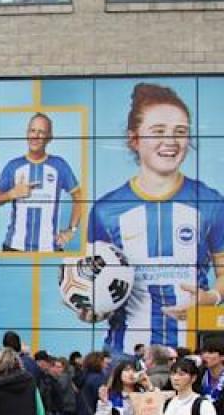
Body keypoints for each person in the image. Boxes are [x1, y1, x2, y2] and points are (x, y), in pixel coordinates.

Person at [86, 83, 224, 354]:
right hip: (126, 356)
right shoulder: (105, 210)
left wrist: (212, 297)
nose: (170, 141)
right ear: (134, 139)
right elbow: (95, 281)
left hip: (191, 355)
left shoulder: (210, 203)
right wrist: (93, 308)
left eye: (180, 132)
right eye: (158, 131)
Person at [0, 113, 83, 252]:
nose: (35, 136)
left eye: (41, 132)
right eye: (32, 130)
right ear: (27, 134)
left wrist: (72, 230)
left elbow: (79, 197)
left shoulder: (59, 166)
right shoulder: (13, 166)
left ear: (49, 137)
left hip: (50, 249)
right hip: (14, 248)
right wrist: (11, 194)